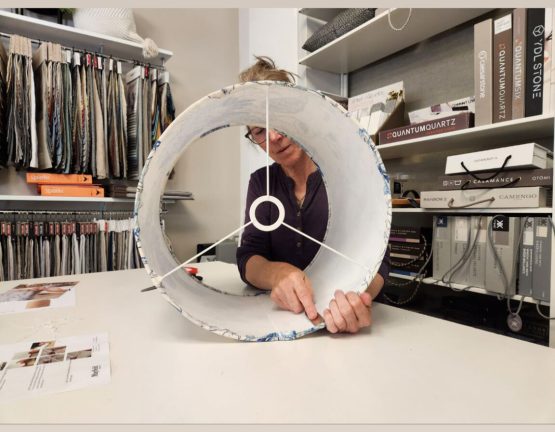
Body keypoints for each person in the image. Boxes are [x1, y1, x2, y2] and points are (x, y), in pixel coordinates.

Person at [236, 56, 389, 334]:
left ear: (299, 114)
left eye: (279, 120)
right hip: (281, 323)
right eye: (258, 131)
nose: (273, 137)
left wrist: (355, 296)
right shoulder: (261, 182)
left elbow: (379, 262)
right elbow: (249, 257)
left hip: (343, 323)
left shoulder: (349, 175)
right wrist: (279, 274)